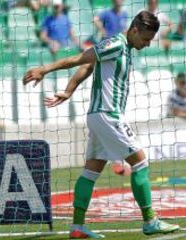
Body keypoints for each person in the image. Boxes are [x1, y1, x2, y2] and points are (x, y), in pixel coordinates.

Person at [23, 11, 179, 238]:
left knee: (90, 171)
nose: (146, 45)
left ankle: (77, 227)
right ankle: (150, 221)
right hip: (109, 115)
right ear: (134, 31)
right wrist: (44, 70)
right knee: (141, 163)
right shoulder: (116, 43)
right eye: (145, 39)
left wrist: (68, 91)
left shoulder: (123, 48)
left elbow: (88, 66)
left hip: (98, 116)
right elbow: (80, 58)